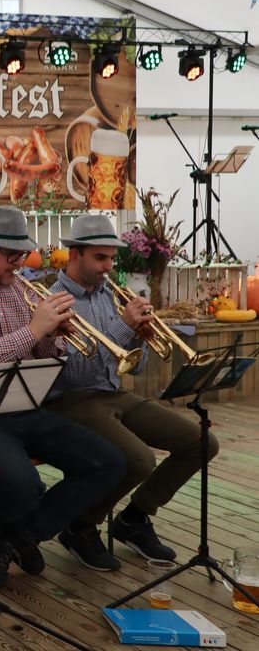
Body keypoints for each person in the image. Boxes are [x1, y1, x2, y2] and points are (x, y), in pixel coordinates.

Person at [0, 206, 125, 589]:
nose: (19, 263)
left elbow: (40, 355)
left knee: (108, 463)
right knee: (23, 484)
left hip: (18, 401)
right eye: (10, 255)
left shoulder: (20, 289)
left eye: (22, 254)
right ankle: (12, 533)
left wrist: (56, 337)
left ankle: (18, 537)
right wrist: (35, 329)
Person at [45, 215, 217, 569]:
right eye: (100, 258)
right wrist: (125, 327)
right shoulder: (55, 300)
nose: (108, 267)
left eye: (111, 258)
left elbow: (133, 367)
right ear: (75, 254)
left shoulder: (108, 295)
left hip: (113, 394)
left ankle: (134, 519)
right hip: (71, 400)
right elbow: (74, 372)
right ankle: (81, 526)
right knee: (139, 459)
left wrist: (140, 333)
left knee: (201, 442)